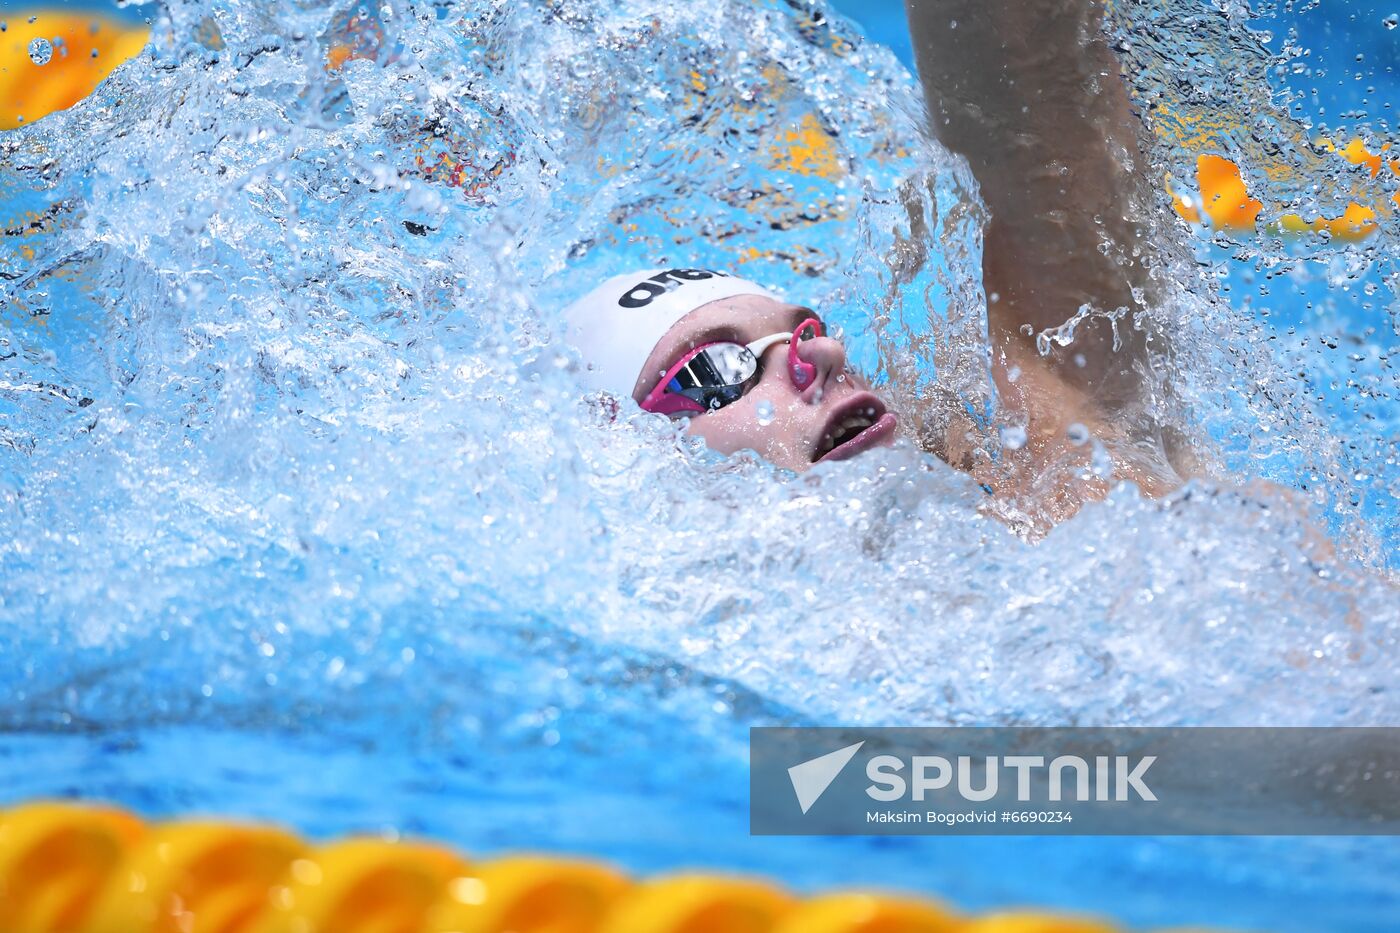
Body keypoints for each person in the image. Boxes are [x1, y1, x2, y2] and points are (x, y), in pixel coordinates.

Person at [563, 0, 1185, 526]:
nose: (824, 358)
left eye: (809, 334)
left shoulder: (1083, 502)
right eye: (714, 370)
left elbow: (1036, 138)